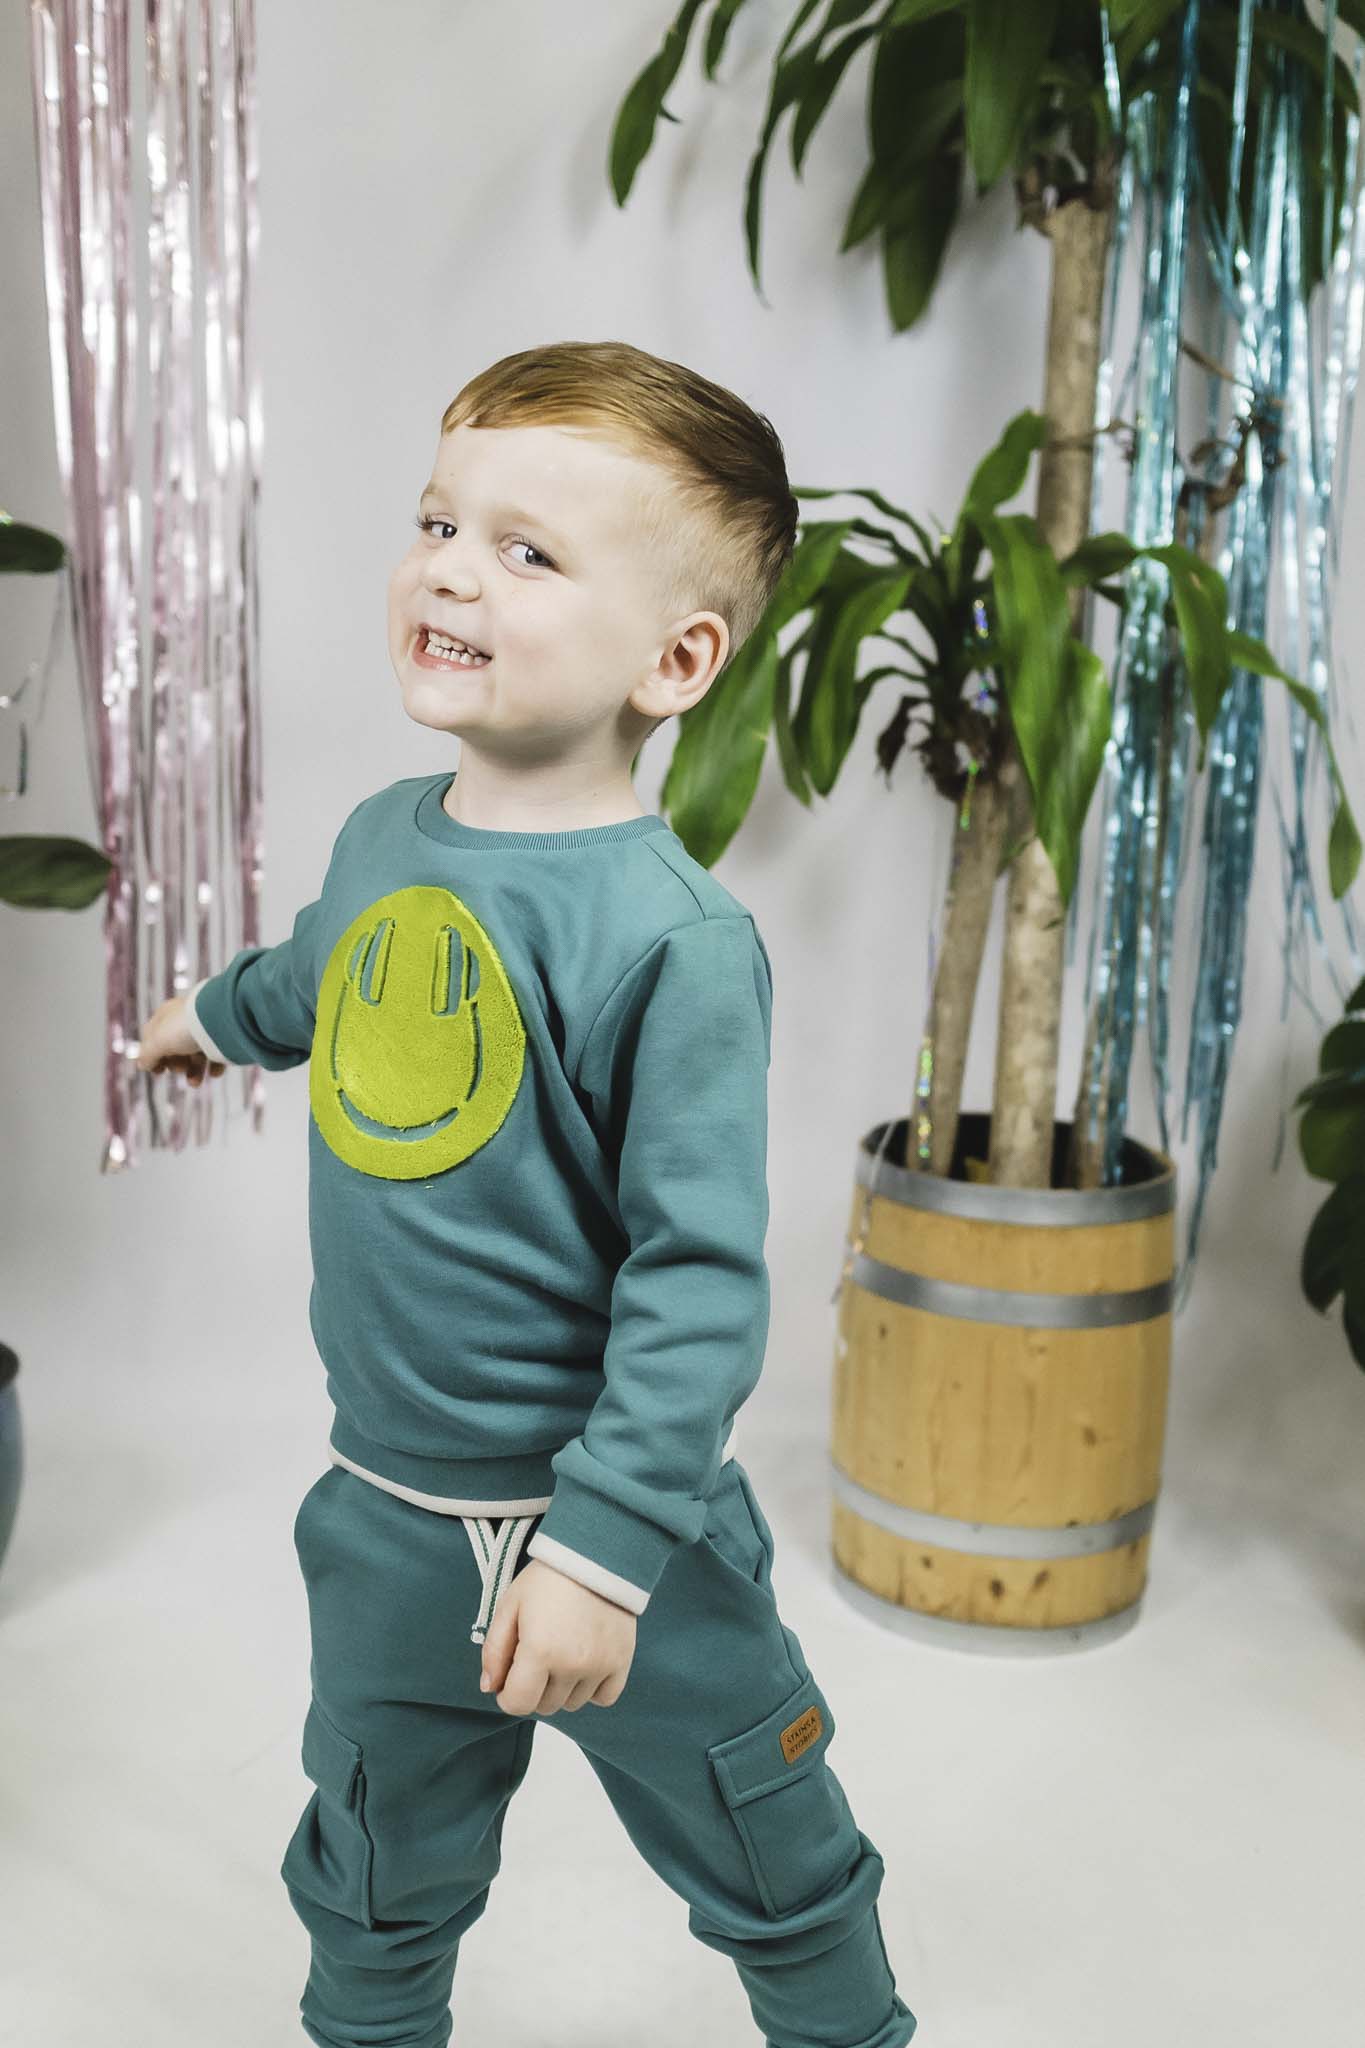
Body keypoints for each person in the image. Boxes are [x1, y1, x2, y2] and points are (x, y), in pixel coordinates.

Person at [135, 338, 918, 2048]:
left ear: (675, 658)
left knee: (773, 1850)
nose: (448, 571)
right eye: (439, 523)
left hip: (622, 1534)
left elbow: (696, 1281)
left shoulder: (672, 940)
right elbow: (325, 976)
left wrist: (604, 1554)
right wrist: (211, 1018)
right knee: (369, 1874)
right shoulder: (381, 836)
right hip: (391, 1524)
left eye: (526, 551)